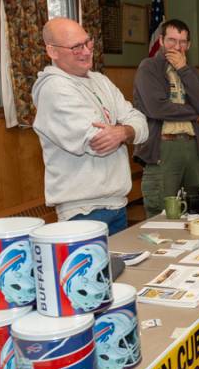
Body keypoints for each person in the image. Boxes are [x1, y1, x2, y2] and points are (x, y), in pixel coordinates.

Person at [32, 18, 148, 235]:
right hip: (82, 211)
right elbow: (97, 142)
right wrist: (122, 130)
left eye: (88, 43)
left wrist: (124, 131)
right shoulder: (54, 88)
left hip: (117, 204)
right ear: (52, 51)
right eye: (76, 47)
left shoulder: (100, 80)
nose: (86, 52)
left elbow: (140, 123)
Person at [133, 19, 199, 217]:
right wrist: (194, 112)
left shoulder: (190, 71)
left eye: (182, 42)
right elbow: (157, 108)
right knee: (163, 212)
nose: (177, 47)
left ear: (189, 45)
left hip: (193, 146)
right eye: (171, 40)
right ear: (160, 40)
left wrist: (184, 70)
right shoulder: (148, 67)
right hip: (163, 147)